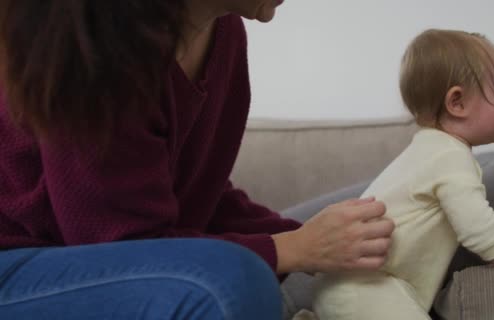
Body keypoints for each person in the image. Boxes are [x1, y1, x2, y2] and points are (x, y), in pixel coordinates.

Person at [0, 1, 395, 319]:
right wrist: (292, 248)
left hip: (142, 255)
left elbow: (201, 195)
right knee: (232, 282)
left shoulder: (224, 34)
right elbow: (121, 247)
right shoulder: (96, 46)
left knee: (385, 206)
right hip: (23, 267)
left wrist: (313, 238)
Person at [312, 29, 494, 320]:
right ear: (457, 103)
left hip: (352, 285)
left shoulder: (431, 149)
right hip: (364, 288)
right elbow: (478, 227)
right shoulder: (450, 157)